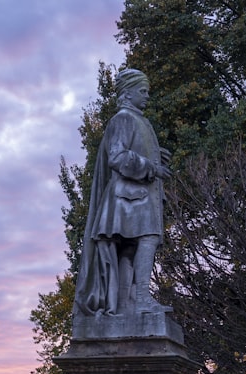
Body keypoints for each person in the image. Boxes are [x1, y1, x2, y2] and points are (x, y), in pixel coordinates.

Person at [74, 68, 171, 316]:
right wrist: (151, 167)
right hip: (128, 197)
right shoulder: (123, 118)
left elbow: (130, 151)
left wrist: (154, 156)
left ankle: (128, 301)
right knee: (147, 239)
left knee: (129, 249)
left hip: (135, 197)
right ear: (127, 94)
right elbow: (117, 157)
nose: (147, 95)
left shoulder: (139, 120)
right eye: (142, 91)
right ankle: (141, 298)